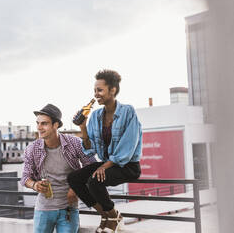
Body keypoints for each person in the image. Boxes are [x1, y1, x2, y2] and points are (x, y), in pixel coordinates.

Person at [67, 69, 142, 233]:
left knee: (95, 181)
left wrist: (103, 167)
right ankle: (108, 216)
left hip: (127, 165)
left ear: (112, 90)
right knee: (74, 178)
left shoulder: (128, 112)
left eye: (99, 90)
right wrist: (82, 127)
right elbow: (90, 148)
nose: (96, 94)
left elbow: (126, 150)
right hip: (108, 164)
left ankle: (112, 217)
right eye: (94, 90)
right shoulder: (95, 116)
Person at [20, 103, 96, 233]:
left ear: (56, 125)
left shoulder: (74, 143)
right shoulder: (32, 148)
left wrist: (76, 188)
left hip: (69, 209)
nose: (39, 127)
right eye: (37, 123)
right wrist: (35, 185)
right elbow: (25, 177)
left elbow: (91, 165)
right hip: (43, 209)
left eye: (44, 123)